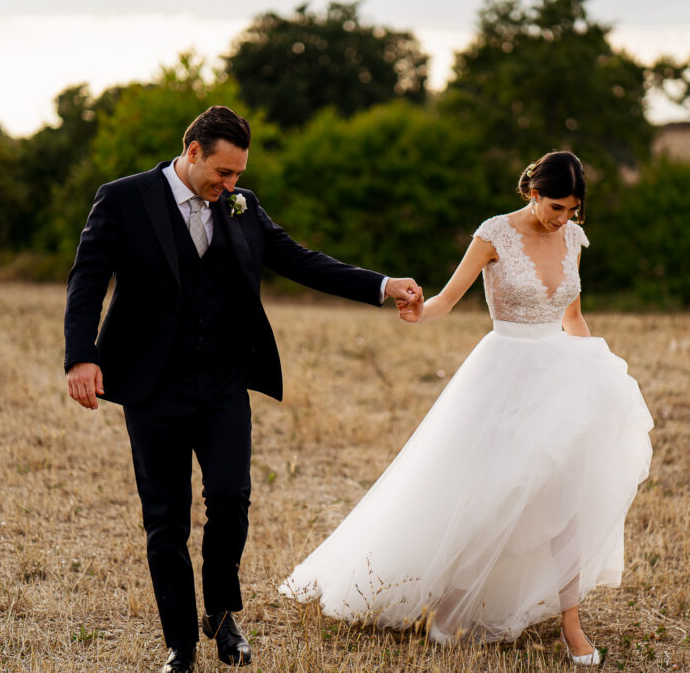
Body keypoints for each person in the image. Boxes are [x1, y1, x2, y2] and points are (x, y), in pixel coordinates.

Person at [63, 105, 422, 673]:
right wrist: (81, 356)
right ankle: (180, 642)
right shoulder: (124, 198)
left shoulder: (242, 205)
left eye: (238, 175)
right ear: (192, 152)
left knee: (231, 498)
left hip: (224, 381)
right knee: (166, 518)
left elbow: (299, 260)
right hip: (154, 386)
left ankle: (224, 616)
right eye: (223, 174)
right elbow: (86, 279)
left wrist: (381, 285)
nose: (232, 186)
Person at [279, 151, 653, 666]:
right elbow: (448, 299)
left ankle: (572, 622)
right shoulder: (494, 234)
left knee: (570, 492)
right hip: (506, 373)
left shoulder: (573, 238)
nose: (563, 218)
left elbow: (574, 315)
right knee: (492, 490)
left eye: (572, 209)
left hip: (562, 375)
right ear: (533, 192)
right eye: (556, 207)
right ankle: (453, 600)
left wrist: (593, 371)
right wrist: (418, 310)